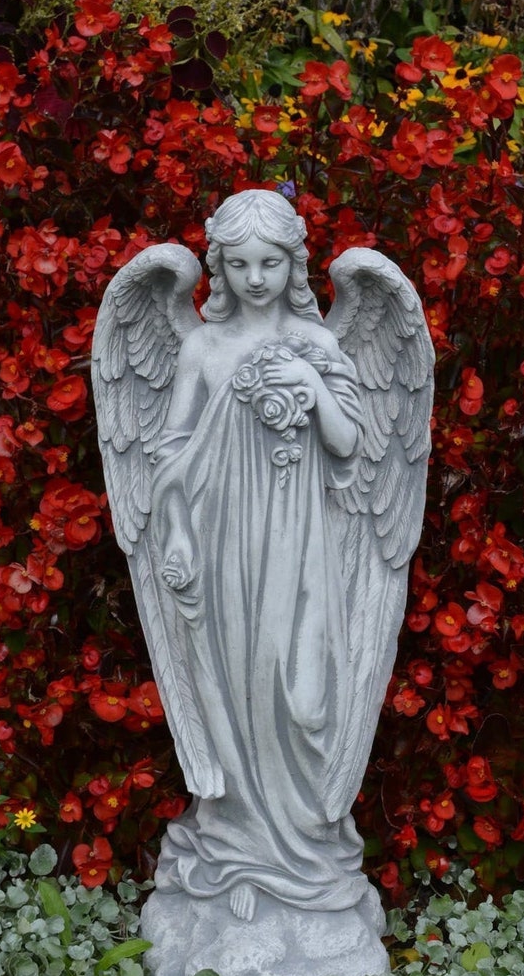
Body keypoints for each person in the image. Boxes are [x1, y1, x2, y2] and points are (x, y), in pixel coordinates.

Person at [146, 190, 369, 923]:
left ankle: (304, 848)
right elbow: (170, 453)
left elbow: (349, 442)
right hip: (224, 547)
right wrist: (178, 535)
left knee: (305, 695)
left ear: (293, 263)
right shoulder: (203, 349)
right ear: (219, 268)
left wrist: (310, 386)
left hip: (301, 545)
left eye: (270, 262)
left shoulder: (319, 345)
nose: (256, 278)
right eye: (239, 264)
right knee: (236, 686)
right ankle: (241, 849)